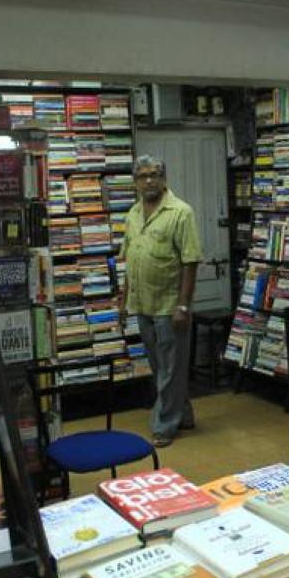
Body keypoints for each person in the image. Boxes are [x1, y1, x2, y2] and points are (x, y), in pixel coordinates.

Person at [120, 155, 203, 448]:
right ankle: (184, 414)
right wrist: (123, 300)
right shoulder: (133, 214)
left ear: (164, 177)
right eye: (143, 176)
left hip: (170, 305)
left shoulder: (181, 212)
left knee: (170, 367)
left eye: (154, 174)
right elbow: (131, 258)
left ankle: (164, 425)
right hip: (142, 303)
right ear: (135, 182)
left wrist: (183, 305)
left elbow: (190, 262)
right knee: (163, 366)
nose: (149, 180)